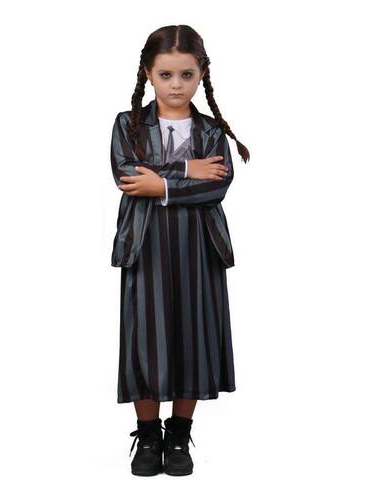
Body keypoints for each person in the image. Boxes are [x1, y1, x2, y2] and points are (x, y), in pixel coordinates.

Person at [110, 24, 250, 476]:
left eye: (186, 75)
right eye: (166, 75)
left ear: (201, 74)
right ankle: (148, 435)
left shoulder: (211, 131)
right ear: (148, 74)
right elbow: (130, 176)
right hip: (145, 245)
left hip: (199, 247)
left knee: (194, 334)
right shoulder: (128, 125)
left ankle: (178, 435)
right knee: (145, 338)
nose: (176, 85)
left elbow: (217, 186)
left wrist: (163, 183)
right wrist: (188, 169)